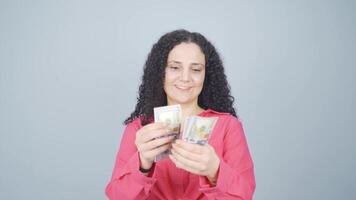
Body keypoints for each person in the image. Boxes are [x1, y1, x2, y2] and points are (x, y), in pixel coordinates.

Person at [105, 29, 256, 200]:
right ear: (160, 73)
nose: (185, 78)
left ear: (206, 75)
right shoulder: (139, 129)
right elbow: (117, 196)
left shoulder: (228, 126)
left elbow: (244, 195)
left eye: (196, 70)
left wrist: (216, 170)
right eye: (175, 67)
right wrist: (143, 163)